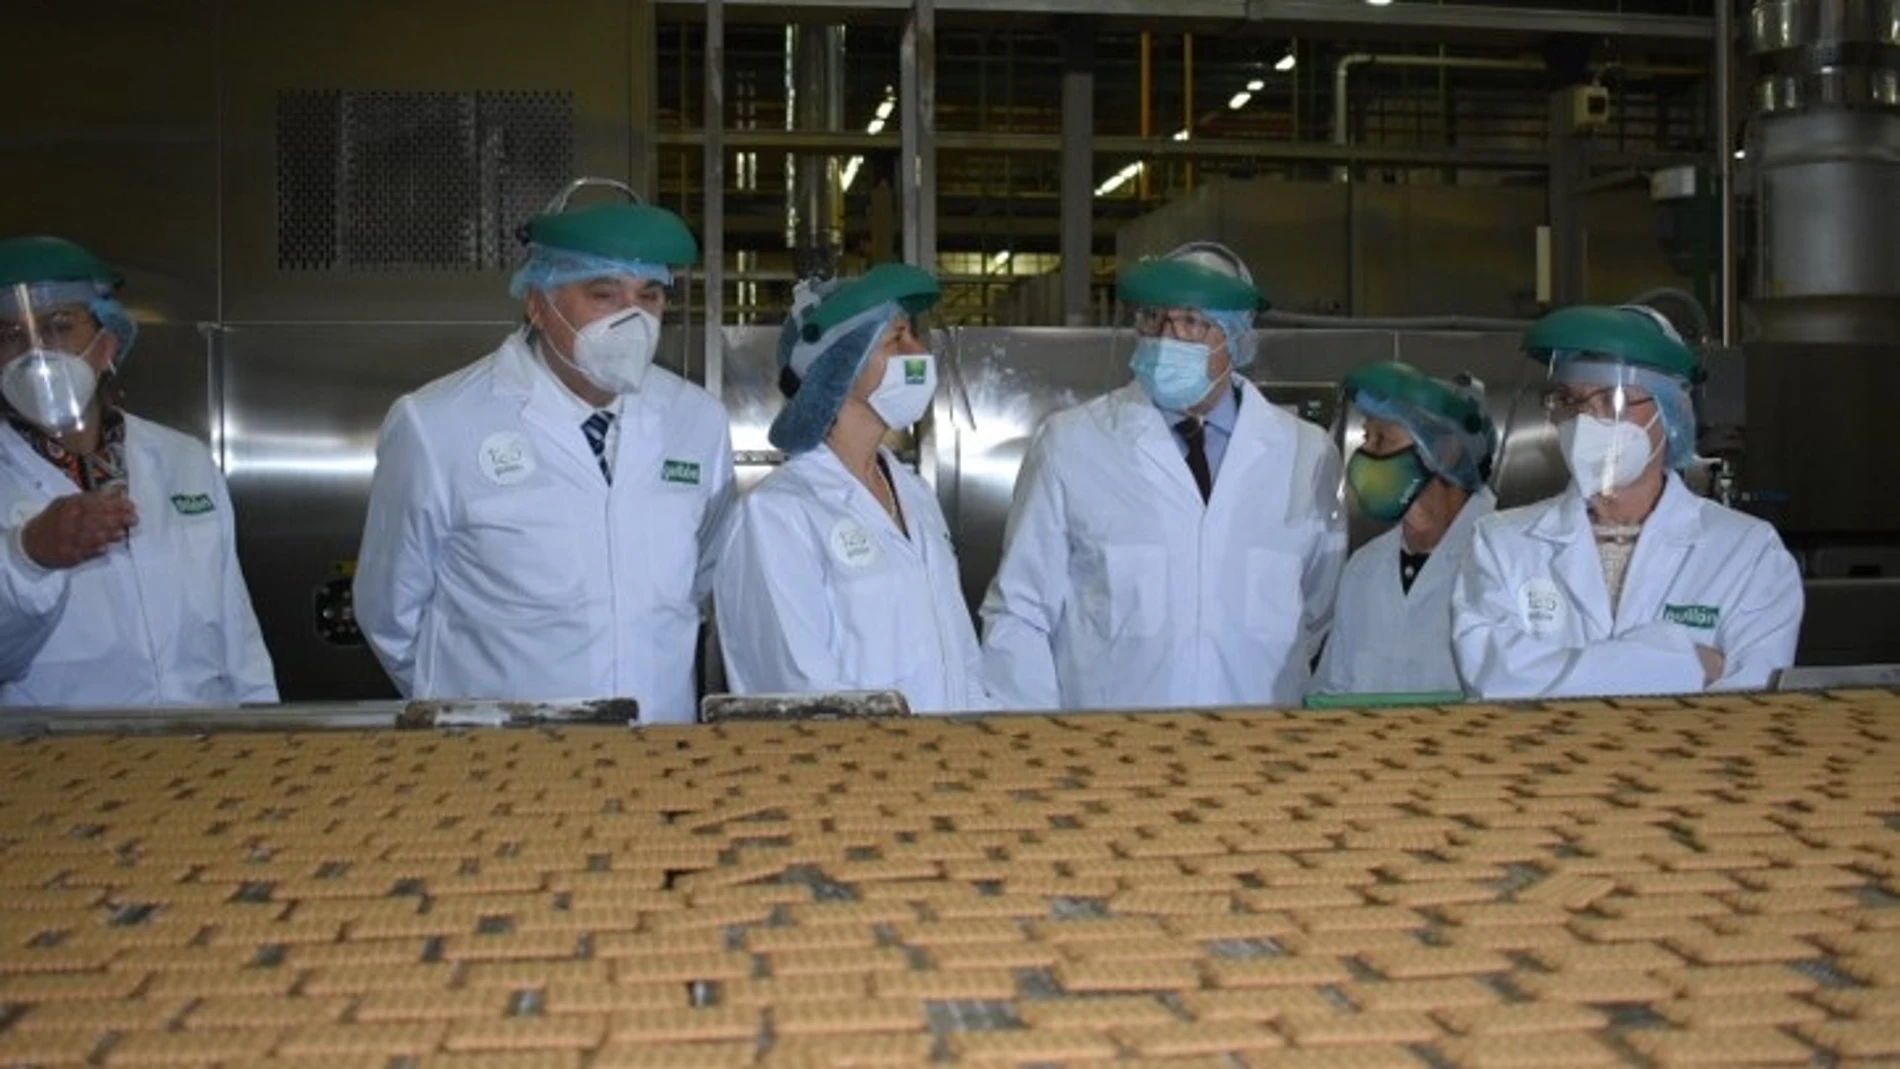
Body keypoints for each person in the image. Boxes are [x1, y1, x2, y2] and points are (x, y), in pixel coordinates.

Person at [354, 190, 734, 722]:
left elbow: (704, 579)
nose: (633, 320)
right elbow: (389, 612)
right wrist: (466, 711)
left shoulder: (698, 422)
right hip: (498, 758)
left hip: (655, 752)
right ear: (538, 302)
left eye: (649, 296)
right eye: (604, 295)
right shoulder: (437, 424)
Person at [980, 242, 1346, 710]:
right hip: (1112, 753)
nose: (1168, 339)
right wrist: (1043, 745)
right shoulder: (1072, 444)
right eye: (1155, 319)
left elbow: (1317, 610)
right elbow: (1021, 611)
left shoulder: (1306, 454)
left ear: (1236, 339)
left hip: (1257, 751)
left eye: (1192, 322)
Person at [1452, 304, 1803, 699]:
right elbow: (1493, 679)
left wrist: (1555, 670)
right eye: (1569, 400)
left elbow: (1749, 707)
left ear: (1669, 411)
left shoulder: (1749, 553)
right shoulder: (1501, 543)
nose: (1585, 420)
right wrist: (1683, 664)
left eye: (1610, 400)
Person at [0, 236, 277, 706]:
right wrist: (28, 558)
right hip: (52, 760)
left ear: (107, 343)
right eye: (9, 336)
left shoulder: (182, 459)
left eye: (60, 326)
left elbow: (238, 636)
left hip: (201, 745)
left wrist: (260, 728)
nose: (37, 354)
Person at [714, 265, 987, 713]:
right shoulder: (776, 516)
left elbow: (960, 654)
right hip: (858, 774)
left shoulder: (914, 494)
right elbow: (798, 694)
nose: (918, 352)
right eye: (896, 339)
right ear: (840, 364)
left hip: (945, 765)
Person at [1312, 362, 1498, 696]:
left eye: (1382, 439)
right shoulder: (1364, 567)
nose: (1365, 455)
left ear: (1445, 452)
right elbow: (1332, 691)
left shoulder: (1505, 559)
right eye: (1366, 437)